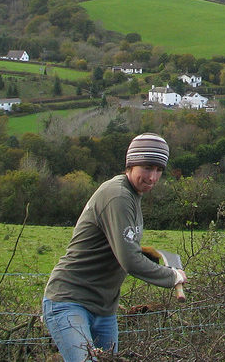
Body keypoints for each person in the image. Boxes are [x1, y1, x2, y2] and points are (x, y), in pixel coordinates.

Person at [43, 133, 187, 362]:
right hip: (70, 301)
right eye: (147, 167)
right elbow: (129, 261)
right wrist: (172, 276)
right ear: (131, 164)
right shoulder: (118, 195)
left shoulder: (133, 195)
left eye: (159, 170)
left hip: (104, 309)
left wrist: (144, 254)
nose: (152, 177)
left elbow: (122, 246)